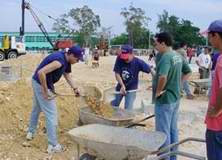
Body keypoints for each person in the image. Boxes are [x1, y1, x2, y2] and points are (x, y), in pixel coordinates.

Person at [26, 45, 84, 153]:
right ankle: (53, 145)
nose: (77, 61)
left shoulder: (67, 60)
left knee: (36, 108)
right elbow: (41, 72)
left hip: (37, 82)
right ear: (71, 55)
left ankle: (30, 132)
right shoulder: (59, 61)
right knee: (51, 114)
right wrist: (45, 90)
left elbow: (67, 75)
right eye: (77, 59)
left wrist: (75, 88)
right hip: (40, 83)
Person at [153, 32, 192, 160]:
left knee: (163, 133)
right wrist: (179, 84)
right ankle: (173, 157)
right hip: (175, 98)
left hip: (165, 99)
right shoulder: (177, 55)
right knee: (173, 129)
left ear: (163, 43)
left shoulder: (166, 57)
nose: (155, 46)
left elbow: (163, 76)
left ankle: (165, 158)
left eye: (156, 43)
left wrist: (158, 92)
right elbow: (188, 71)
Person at [111, 44, 152, 110]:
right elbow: (117, 73)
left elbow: (150, 70)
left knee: (128, 109)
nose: (125, 59)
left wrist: (155, 82)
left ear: (132, 54)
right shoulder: (119, 58)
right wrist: (122, 85)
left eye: (127, 57)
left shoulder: (138, 62)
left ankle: (126, 119)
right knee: (114, 104)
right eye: (123, 57)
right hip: (121, 86)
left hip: (131, 89)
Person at [205, 19, 222, 160]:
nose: (209, 39)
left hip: (217, 124)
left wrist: (217, 109)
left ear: (215, 35)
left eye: (209, 36)